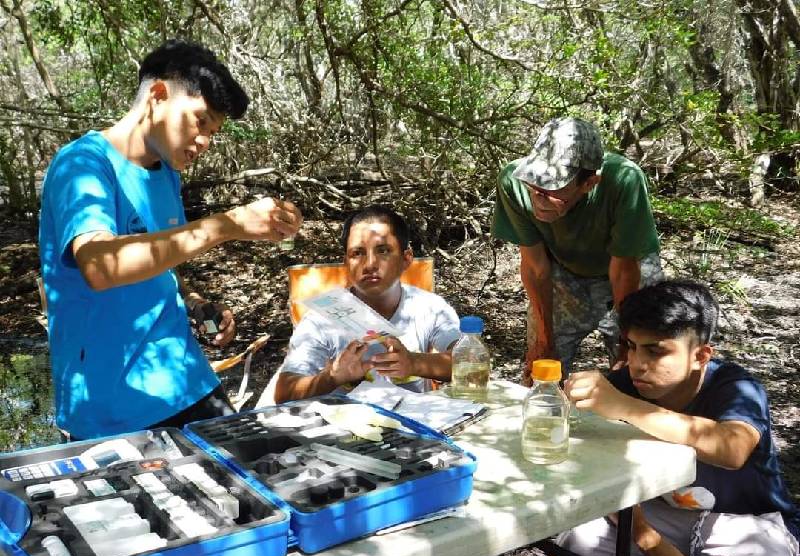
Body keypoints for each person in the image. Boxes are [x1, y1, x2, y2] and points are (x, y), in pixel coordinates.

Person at [39, 40, 303, 440]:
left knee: (264, 477)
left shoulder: (165, 176)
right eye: (200, 121)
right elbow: (98, 264)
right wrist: (227, 225)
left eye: (214, 133)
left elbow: (158, 266)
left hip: (186, 378)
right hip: (110, 405)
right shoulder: (82, 164)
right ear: (158, 96)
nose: (204, 142)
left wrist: (194, 302)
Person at [561, 280, 799, 556]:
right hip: (659, 513)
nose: (636, 364)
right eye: (630, 346)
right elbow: (600, 471)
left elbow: (733, 449)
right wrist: (650, 542)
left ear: (700, 355)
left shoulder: (736, 388)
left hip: (746, 521)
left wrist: (626, 408)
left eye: (655, 351)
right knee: (572, 536)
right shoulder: (623, 386)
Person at [492, 117, 662, 383]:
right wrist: (544, 337)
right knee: (541, 367)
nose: (538, 197)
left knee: (638, 367)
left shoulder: (623, 181)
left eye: (552, 189)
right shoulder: (513, 183)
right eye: (534, 184)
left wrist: (625, 340)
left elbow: (624, 269)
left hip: (623, 269)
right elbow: (537, 268)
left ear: (588, 183)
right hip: (563, 269)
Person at [274, 205, 461, 403]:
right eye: (357, 253)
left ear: (406, 259)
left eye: (383, 250)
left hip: (415, 426)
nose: (370, 264)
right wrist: (332, 377)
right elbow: (284, 392)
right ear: (346, 263)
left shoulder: (429, 307)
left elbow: (474, 363)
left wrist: (415, 363)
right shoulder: (321, 319)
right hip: (343, 427)